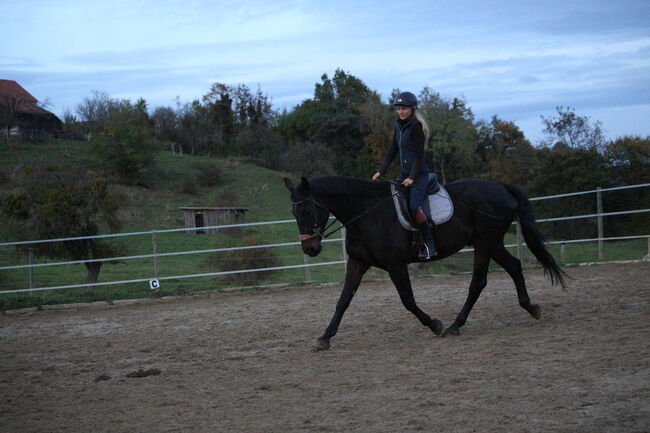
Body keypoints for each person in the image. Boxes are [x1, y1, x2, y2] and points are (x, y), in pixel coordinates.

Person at [372, 91, 438, 259]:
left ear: (412, 109)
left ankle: (430, 245)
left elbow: (418, 156)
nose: (400, 112)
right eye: (398, 109)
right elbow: (392, 150)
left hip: (419, 175)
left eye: (404, 109)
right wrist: (381, 171)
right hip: (404, 176)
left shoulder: (416, 127)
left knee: (415, 206)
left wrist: (412, 178)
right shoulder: (398, 127)